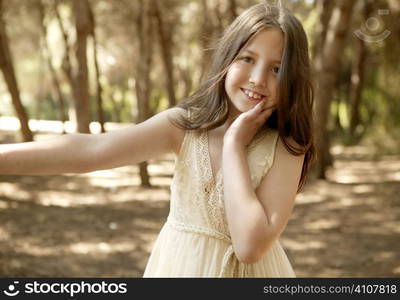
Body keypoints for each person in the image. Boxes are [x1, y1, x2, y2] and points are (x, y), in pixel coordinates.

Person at [0, 2, 314, 277]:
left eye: (277, 68)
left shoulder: (286, 148)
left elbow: (249, 247)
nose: (259, 78)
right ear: (227, 58)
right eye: (247, 58)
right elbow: (91, 150)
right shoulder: (185, 126)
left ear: (293, 77)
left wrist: (233, 144)